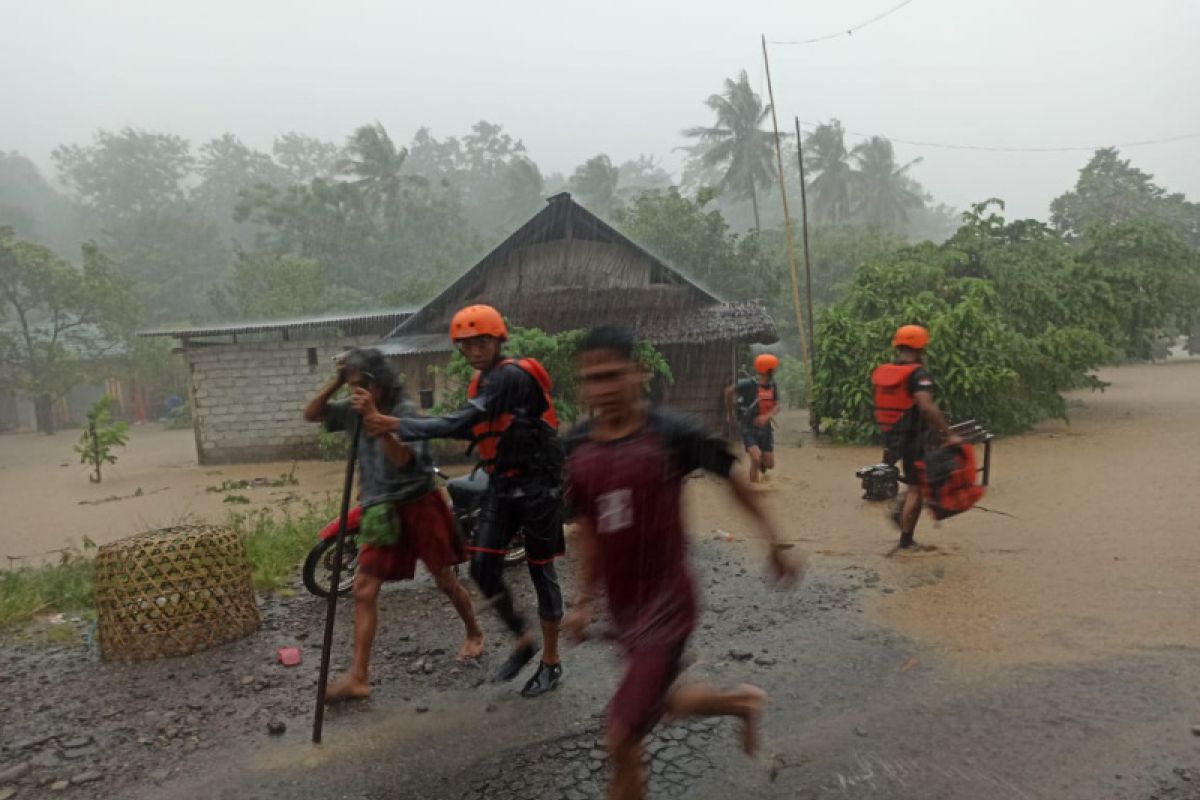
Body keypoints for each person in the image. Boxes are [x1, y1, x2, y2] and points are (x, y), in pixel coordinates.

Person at [563, 325, 802, 800]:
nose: (603, 389)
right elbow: (588, 529)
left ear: (639, 374)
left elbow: (733, 477)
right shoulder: (576, 447)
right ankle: (742, 703)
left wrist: (776, 542)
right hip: (625, 609)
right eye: (592, 379)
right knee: (662, 701)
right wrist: (584, 600)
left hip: (668, 607)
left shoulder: (671, 433)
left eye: (613, 375)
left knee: (622, 735)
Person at [362, 305, 567, 697]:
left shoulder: (509, 376)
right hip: (502, 484)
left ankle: (551, 662)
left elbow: (458, 424)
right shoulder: (483, 382)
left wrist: (394, 423)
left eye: (482, 341)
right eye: (466, 344)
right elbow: (471, 428)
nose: (474, 350)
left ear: (498, 340)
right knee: (482, 568)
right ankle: (524, 641)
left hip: (538, 488)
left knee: (542, 572)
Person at [303, 347, 484, 701]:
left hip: (419, 504)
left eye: (361, 383)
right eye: (351, 384)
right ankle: (359, 677)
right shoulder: (354, 410)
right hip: (380, 509)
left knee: (445, 580)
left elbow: (403, 460)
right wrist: (337, 382)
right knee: (364, 589)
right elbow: (311, 414)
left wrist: (377, 421)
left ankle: (474, 632)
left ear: (379, 384)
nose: (356, 391)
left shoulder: (403, 413)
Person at [870, 325, 958, 550]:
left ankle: (901, 509)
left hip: (891, 437)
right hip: (913, 439)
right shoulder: (918, 374)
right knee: (916, 489)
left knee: (913, 484)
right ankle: (906, 541)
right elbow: (926, 407)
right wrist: (948, 434)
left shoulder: (887, 371)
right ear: (921, 347)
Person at [725, 353, 781, 484]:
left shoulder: (773, 385)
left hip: (765, 429)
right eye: (774, 368)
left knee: (770, 464)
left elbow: (777, 405)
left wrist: (767, 416)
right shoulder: (748, 385)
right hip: (748, 428)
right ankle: (756, 489)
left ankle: (761, 461)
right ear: (768, 370)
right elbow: (728, 391)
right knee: (755, 458)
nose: (776, 370)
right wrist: (730, 413)